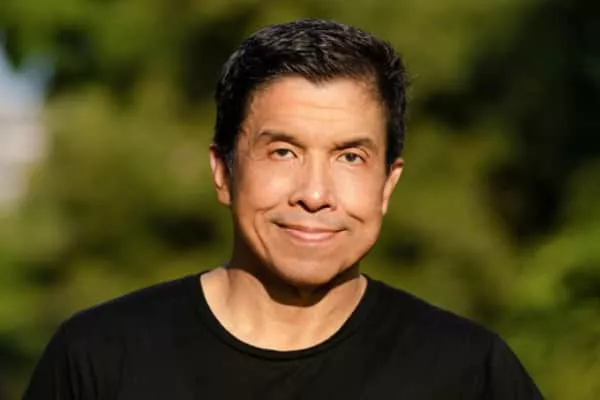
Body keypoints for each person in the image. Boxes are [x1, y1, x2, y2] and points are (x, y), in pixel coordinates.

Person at [23, 19, 543, 399]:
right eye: (283, 152)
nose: (314, 194)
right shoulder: (99, 361)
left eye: (350, 157)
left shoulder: (468, 374)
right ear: (223, 171)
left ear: (388, 184)